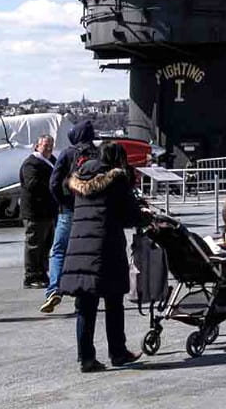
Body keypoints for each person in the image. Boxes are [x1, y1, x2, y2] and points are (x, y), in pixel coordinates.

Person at [59, 141, 148, 372]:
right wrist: (145, 217)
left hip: (79, 248)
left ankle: (86, 358)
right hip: (106, 247)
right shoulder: (116, 178)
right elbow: (130, 215)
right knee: (114, 302)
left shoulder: (77, 178)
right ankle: (118, 352)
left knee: (86, 306)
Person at [40, 120, 96, 314]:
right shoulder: (98, 154)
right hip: (90, 212)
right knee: (86, 253)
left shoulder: (67, 153)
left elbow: (53, 183)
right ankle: (83, 292)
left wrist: (62, 202)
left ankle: (54, 289)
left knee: (58, 251)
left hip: (68, 211)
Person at [20, 134, 56, 289]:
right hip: (35, 211)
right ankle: (31, 275)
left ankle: (42, 272)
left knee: (46, 244)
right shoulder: (31, 163)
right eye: (45, 145)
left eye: (50, 146)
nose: (48, 148)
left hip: (48, 211)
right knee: (34, 244)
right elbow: (32, 184)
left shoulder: (51, 161)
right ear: (37, 146)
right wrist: (53, 184)